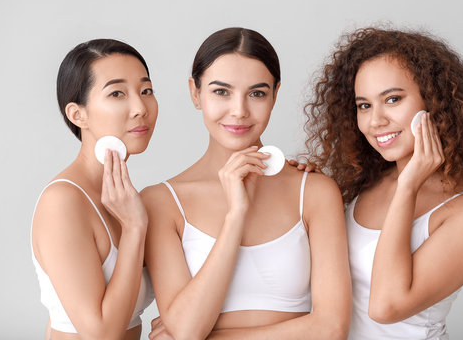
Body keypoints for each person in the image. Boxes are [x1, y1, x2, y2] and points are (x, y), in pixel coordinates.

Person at [302, 27, 463, 339]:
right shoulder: (363, 183)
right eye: (364, 105)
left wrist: (408, 186)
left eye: (392, 99)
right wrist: (303, 190)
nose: (375, 121)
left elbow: (386, 306)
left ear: (434, 101)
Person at [143, 27, 351, 340]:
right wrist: (235, 215)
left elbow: (332, 327)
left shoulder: (315, 192)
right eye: (221, 92)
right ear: (195, 93)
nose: (239, 111)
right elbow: (186, 329)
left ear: (275, 95)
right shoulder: (161, 202)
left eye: (257, 93)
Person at [31, 39, 157, 340]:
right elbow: (101, 333)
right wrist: (135, 228)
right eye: (117, 93)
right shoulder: (63, 202)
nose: (140, 108)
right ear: (78, 115)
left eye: (146, 90)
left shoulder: (125, 198)